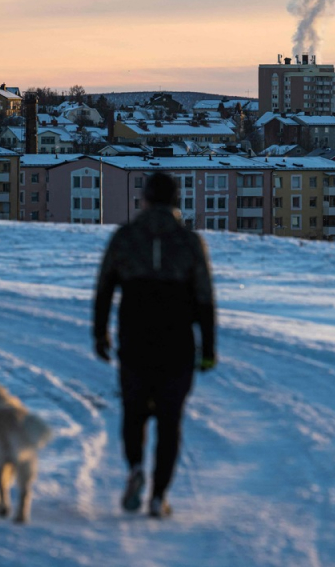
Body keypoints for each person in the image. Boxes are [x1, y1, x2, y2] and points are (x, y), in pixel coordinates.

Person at [92, 172, 216, 518]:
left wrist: (100, 334)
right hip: (177, 344)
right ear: (177, 202)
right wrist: (208, 349)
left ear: (144, 199)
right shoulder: (190, 242)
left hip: (135, 339)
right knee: (169, 420)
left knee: (134, 411)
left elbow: (104, 288)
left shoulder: (125, 237)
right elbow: (205, 297)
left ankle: (134, 468)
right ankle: (159, 496)